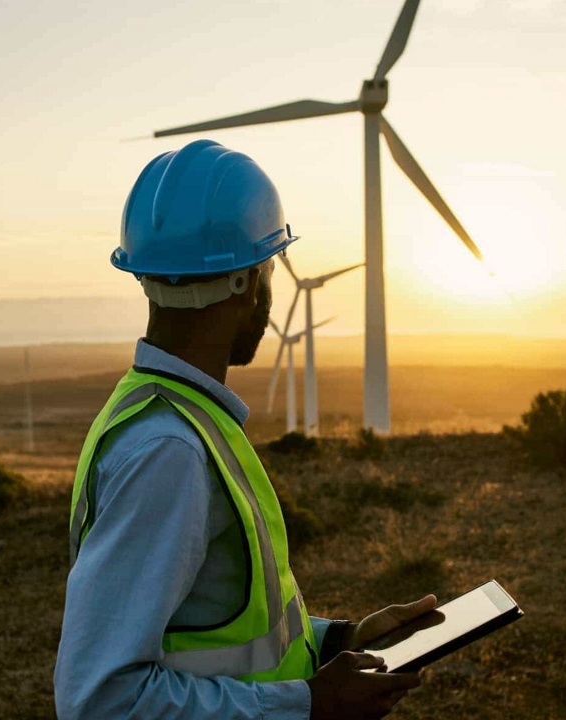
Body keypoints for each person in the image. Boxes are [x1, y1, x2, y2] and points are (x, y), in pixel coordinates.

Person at [55, 139, 436, 720]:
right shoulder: (169, 450)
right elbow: (100, 700)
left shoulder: (166, 414)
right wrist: (308, 705)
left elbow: (214, 626)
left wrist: (339, 638)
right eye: (267, 267)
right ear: (246, 284)